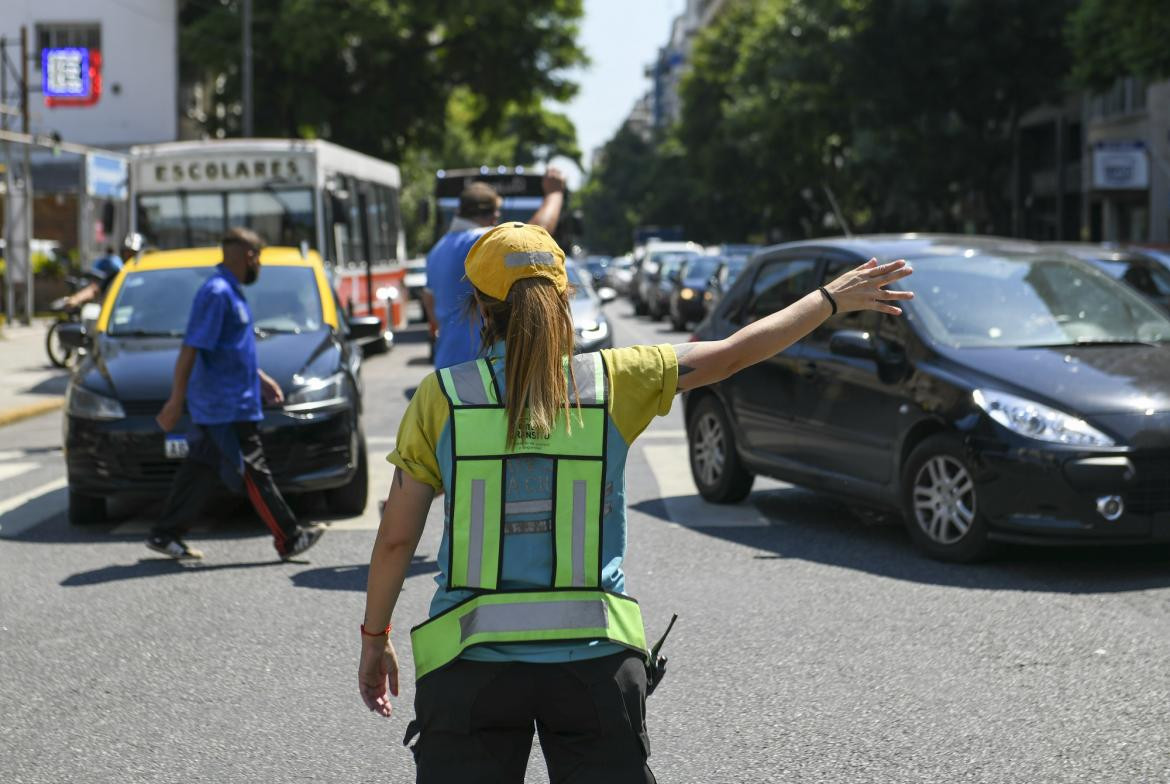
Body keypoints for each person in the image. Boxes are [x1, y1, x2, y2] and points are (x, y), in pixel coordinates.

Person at [358, 222, 915, 782]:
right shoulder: (613, 381)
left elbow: (397, 539)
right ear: (564, 299)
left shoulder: (443, 397)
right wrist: (828, 299)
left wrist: (375, 642)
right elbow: (732, 354)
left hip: (469, 666)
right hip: (595, 665)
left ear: (478, 308)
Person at [147, 227, 325, 561]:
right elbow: (191, 349)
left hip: (231, 401)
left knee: (199, 469)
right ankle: (289, 537)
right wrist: (175, 400)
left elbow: (229, 348)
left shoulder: (230, 290)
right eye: (259, 256)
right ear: (249, 256)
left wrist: (259, 379)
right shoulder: (217, 293)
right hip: (225, 407)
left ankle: (164, 533)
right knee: (254, 471)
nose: (259, 264)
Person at [422, 168, 567, 369]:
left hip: (446, 364)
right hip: (482, 368)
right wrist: (554, 194)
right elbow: (533, 239)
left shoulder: (436, 251)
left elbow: (429, 302)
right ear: (493, 216)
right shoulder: (480, 243)